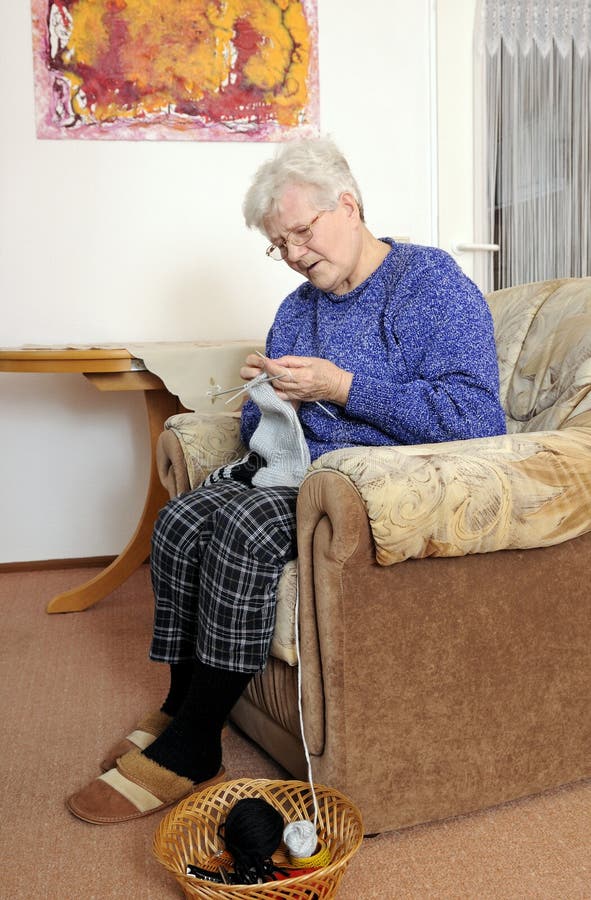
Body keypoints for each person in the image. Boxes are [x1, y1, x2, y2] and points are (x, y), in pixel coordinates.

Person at [67, 137, 506, 824]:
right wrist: (263, 397)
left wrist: (340, 386)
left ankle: (192, 746)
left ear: (349, 205)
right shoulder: (298, 307)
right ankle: (182, 705)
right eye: (280, 244)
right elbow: (261, 430)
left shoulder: (429, 283)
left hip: (369, 482)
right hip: (295, 472)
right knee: (180, 519)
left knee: (243, 523)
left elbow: (476, 415)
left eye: (302, 232)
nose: (295, 254)